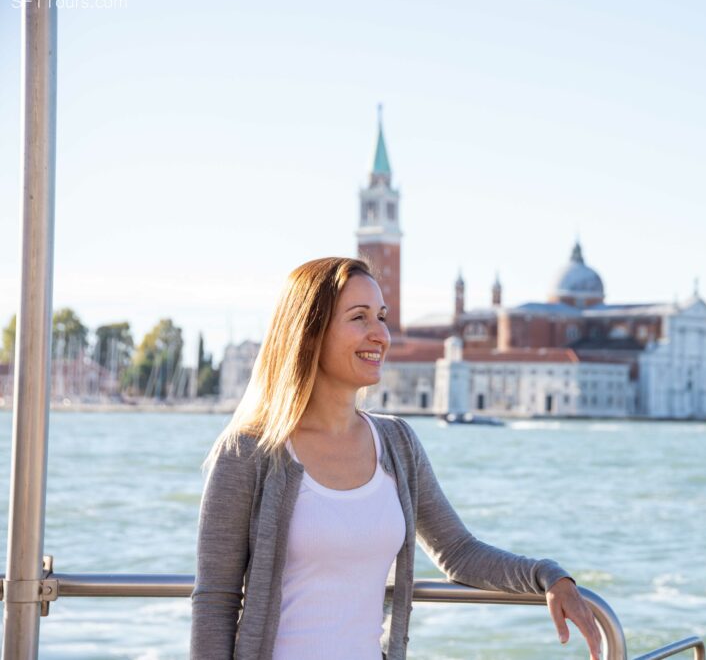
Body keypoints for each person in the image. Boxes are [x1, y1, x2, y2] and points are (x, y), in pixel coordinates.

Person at [191, 257, 601, 660]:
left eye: (382, 317)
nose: (381, 335)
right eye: (360, 318)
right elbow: (216, 600)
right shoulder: (248, 451)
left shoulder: (397, 443)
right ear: (309, 332)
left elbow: (457, 552)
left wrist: (547, 575)